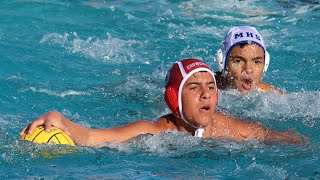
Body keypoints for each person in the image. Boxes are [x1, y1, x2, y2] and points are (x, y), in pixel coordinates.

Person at [20, 58, 305, 147]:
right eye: (194, 88)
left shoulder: (231, 129)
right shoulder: (156, 131)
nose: (206, 94)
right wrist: (59, 118)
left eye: (211, 88)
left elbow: (285, 140)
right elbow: (96, 137)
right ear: (174, 100)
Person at [215, 26, 283, 94]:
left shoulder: (272, 95)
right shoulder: (208, 90)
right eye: (238, 61)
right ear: (222, 63)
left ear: (265, 65)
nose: (248, 69)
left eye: (256, 62)